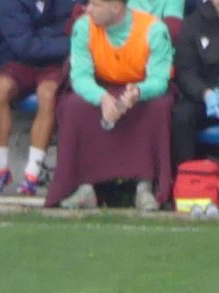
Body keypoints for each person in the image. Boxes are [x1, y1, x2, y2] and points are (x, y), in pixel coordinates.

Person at [46, 0, 179, 207]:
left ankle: (145, 186)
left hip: (140, 85)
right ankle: (84, 187)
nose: (88, 9)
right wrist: (102, 98)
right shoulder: (83, 26)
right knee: (74, 106)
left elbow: (160, 79)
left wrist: (138, 92)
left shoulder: (154, 29)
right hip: (101, 85)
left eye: (96, 5)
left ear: (116, 7)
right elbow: (80, 75)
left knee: (158, 107)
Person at [0, 0, 83, 193]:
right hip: (20, 60)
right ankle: (0, 169)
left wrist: (54, 43)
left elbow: (81, 32)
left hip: (56, 64)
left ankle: (32, 173)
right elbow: (24, 46)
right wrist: (67, 43)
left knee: (48, 94)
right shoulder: (8, 3)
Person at [176, 0, 219, 170]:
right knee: (182, 116)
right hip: (204, 94)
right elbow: (186, 71)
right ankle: (187, 178)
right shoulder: (192, 24)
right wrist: (205, 93)